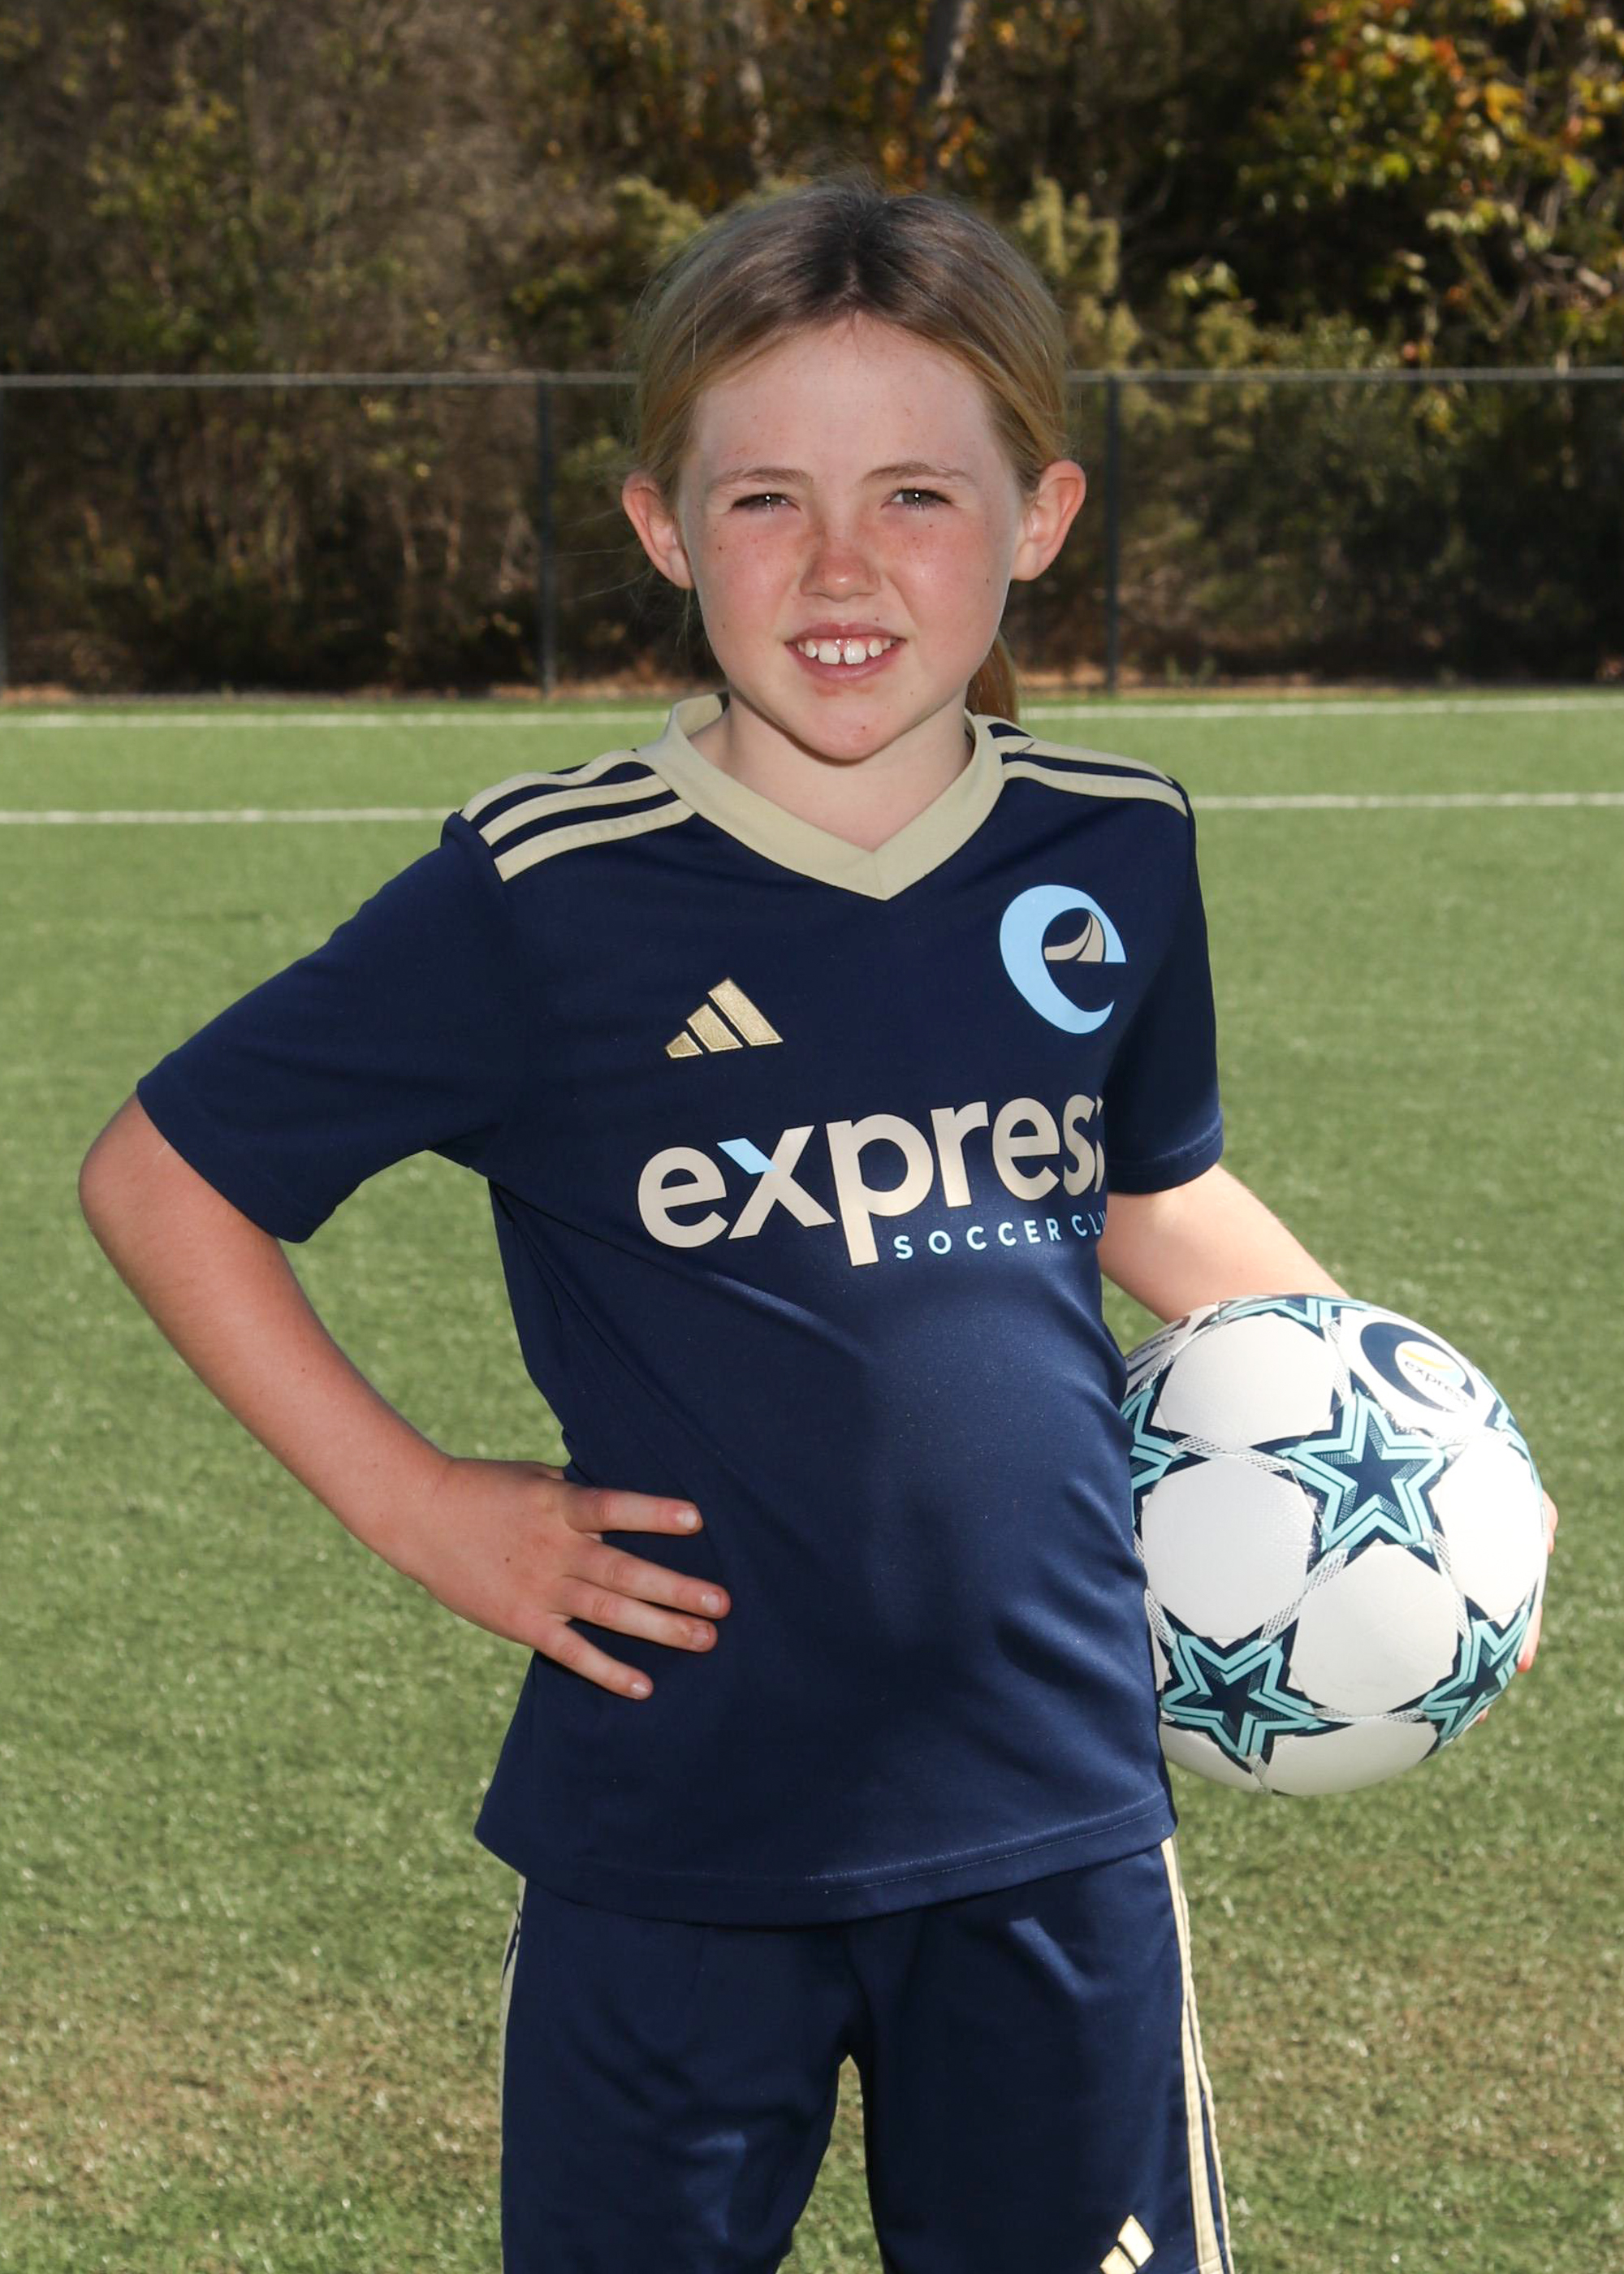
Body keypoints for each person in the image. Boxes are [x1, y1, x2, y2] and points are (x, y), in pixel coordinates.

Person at [79, 173, 1554, 2274]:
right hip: (673, 1824)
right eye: (766, 498)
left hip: (1055, 1803)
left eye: (918, 497)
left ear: (1039, 518)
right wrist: (424, 1509)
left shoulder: (1114, 852)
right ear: (663, 528)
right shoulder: (547, 894)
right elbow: (167, 1177)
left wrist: (1440, 1463)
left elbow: (1144, 1190)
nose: (843, 566)